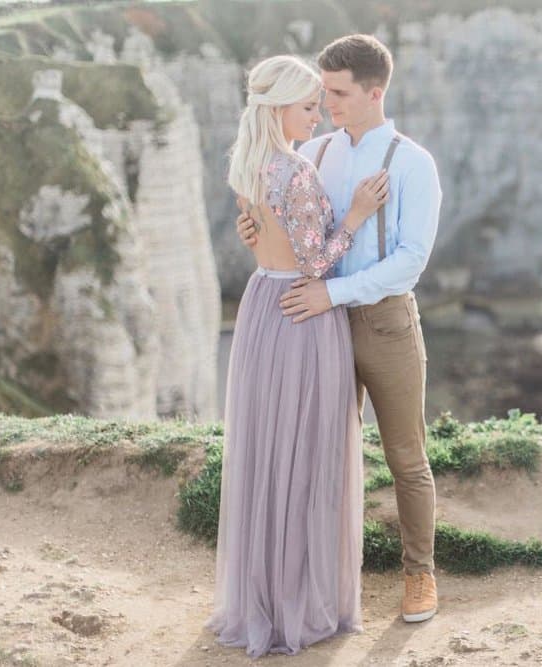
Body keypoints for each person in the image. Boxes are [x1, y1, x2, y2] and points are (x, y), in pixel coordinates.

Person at [237, 34, 443, 623]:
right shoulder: (314, 152)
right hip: (314, 327)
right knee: (320, 454)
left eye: (338, 93)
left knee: (405, 456)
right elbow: (295, 229)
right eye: (322, 92)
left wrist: (333, 292)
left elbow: (411, 260)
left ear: (374, 93)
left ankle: (420, 576)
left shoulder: (412, 163)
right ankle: (320, 582)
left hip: (382, 322)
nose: (326, 103)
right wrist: (254, 231)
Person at [206, 54, 391, 657]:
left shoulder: (249, 165)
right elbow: (316, 263)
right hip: (303, 314)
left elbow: (265, 238)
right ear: (279, 107)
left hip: (262, 304)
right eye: (309, 106)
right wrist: (357, 215)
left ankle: (262, 597)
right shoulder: (295, 171)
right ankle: (299, 604)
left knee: (267, 450)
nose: (318, 117)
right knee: (309, 452)